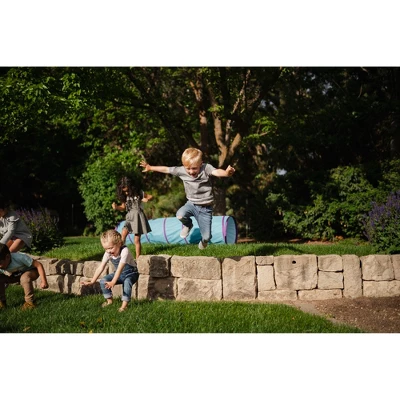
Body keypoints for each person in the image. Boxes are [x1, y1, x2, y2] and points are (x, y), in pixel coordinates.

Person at [140, 147, 235, 250]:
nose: (191, 171)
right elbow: (166, 169)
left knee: (207, 236)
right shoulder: (181, 171)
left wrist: (226, 173)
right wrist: (150, 167)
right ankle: (188, 225)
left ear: (201, 164)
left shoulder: (206, 168)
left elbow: (216, 172)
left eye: (194, 168)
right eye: (188, 168)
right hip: (191, 204)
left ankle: (204, 241)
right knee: (180, 215)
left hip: (205, 209)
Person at [81, 229, 139, 312]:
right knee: (103, 281)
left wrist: (113, 282)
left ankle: (124, 306)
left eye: (111, 248)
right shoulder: (108, 253)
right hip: (119, 274)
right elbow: (101, 267)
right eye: (106, 249)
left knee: (127, 282)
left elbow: (120, 268)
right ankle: (109, 301)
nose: (108, 251)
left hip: (131, 273)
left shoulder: (124, 251)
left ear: (119, 243)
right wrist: (92, 281)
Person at [112, 176, 153, 259]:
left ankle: (138, 258)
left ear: (131, 187)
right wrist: (117, 207)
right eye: (124, 191)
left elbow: (151, 196)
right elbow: (123, 207)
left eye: (127, 190)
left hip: (138, 216)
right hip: (130, 216)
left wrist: (146, 199)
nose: (126, 193)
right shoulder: (124, 196)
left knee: (136, 239)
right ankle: (119, 255)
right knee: (123, 233)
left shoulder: (139, 192)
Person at [0, 243, 49, 310]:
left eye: (0, 263)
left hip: (31, 271)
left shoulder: (20, 257)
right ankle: (2, 302)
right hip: (15, 275)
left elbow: (38, 265)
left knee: (25, 277)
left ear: (7, 257)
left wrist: (44, 281)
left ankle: (30, 302)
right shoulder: (2, 265)